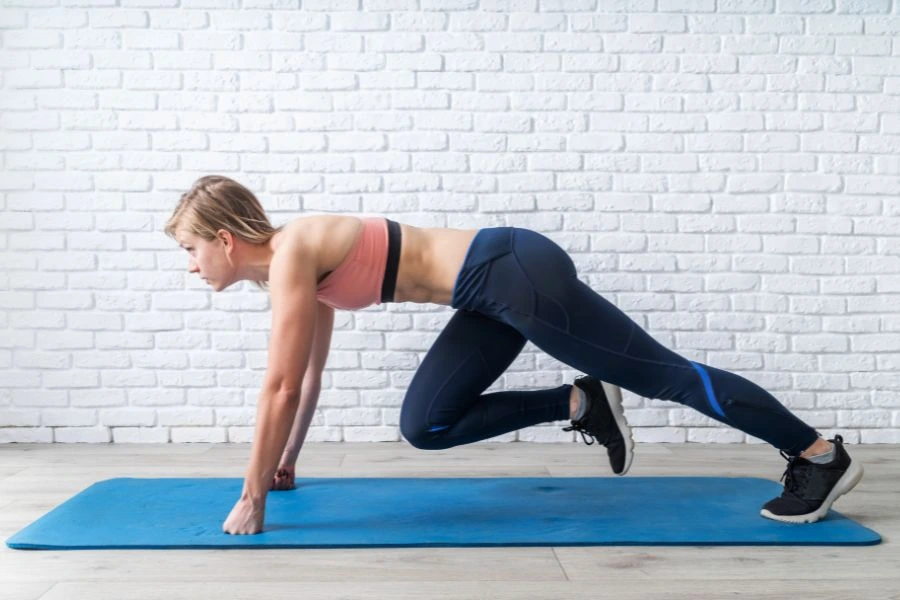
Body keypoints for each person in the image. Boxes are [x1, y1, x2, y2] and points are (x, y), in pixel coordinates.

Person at [165, 175, 864, 535]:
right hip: (487, 295)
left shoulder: (293, 251)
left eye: (191, 250)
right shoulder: (292, 271)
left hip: (510, 273)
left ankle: (819, 454)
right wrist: (284, 464)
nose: (190, 266)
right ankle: (582, 402)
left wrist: (252, 496)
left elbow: (279, 388)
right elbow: (307, 376)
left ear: (225, 239)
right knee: (426, 424)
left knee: (664, 376)